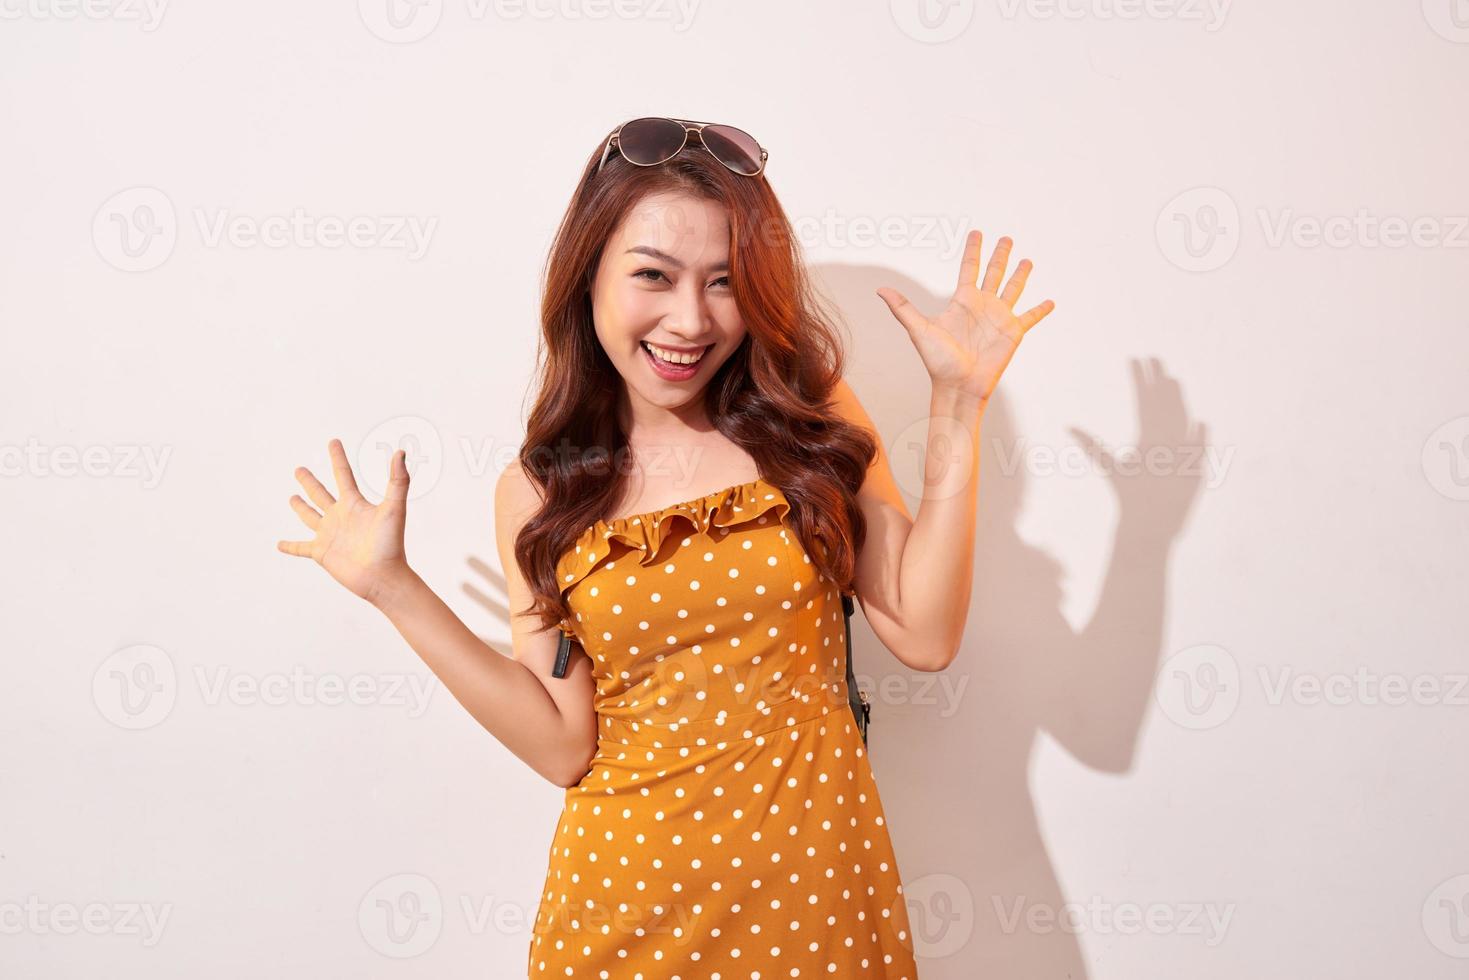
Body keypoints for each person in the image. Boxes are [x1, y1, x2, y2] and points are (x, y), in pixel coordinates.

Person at [277, 116, 1054, 977]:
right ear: (589, 277)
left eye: (724, 282)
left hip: (818, 907)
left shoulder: (809, 419)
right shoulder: (541, 492)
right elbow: (562, 745)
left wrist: (956, 408)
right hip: (620, 916)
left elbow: (925, 632)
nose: (690, 320)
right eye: (653, 275)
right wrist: (393, 587)